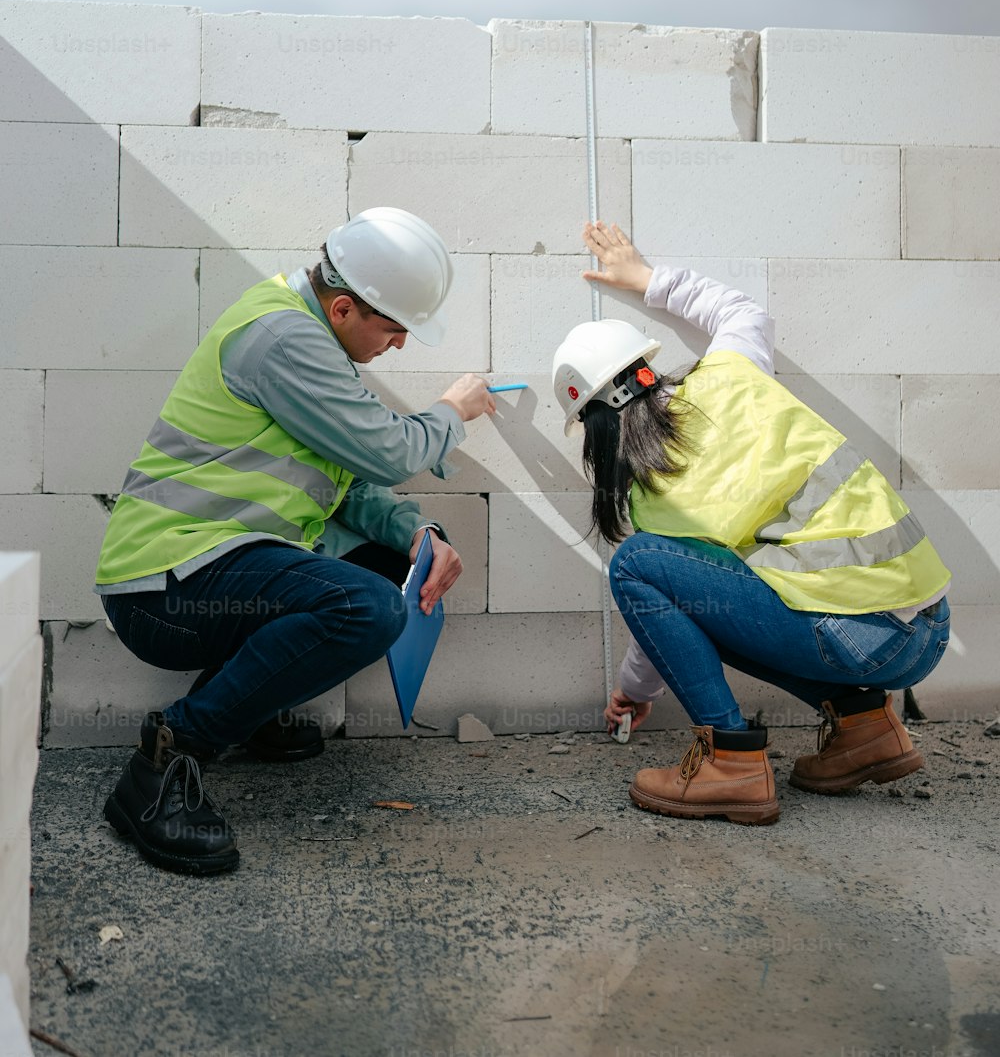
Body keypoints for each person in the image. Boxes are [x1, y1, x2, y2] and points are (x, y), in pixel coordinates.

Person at [96, 207, 495, 874]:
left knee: (386, 565)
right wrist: (453, 411)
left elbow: (347, 484)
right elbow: (391, 452)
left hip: (211, 570)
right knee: (366, 608)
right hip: (166, 588)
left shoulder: (308, 337)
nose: (397, 347)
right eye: (395, 331)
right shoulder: (286, 341)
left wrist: (417, 532)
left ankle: (252, 705)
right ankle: (168, 758)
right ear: (343, 308)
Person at [552, 221, 952, 827]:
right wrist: (646, 277)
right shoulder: (733, 373)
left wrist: (635, 691)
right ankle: (865, 726)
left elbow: (665, 614)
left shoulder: (651, 499)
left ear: (594, 427)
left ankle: (732, 762)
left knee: (637, 566)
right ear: (648, 370)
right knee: (735, 593)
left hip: (860, 642)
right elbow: (741, 310)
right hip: (928, 627)